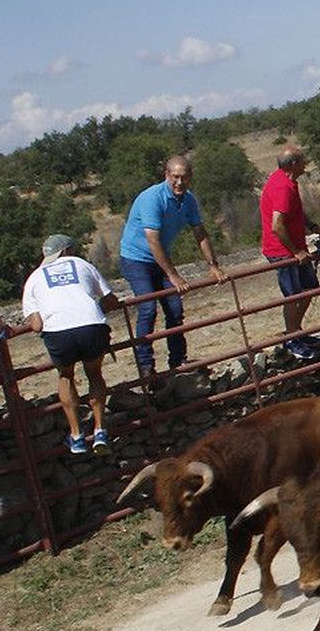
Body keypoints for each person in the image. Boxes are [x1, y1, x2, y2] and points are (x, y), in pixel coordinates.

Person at [117, 155, 226, 379]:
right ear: (167, 175)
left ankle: (177, 360)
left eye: (184, 178)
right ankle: (145, 365)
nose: (179, 182)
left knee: (175, 310)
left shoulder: (188, 200)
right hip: (136, 258)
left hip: (159, 258)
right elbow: (153, 240)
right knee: (147, 308)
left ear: (190, 178)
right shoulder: (152, 199)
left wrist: (213, 265)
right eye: (175, 177)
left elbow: (200, 232)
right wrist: (173, 275)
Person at [15, 234, 120, 455]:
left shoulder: (34, 278)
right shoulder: (82, 264)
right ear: (67, 251)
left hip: (59, 333)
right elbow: (111, 300)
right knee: (94, 373)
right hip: (92, 326)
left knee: (66, 377)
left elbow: (35, 324)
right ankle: (100, 430)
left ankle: (76, 436)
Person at [259, 147, 320, 362]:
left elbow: (294, 212)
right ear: (293, 164)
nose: (306, 163)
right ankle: (292, 339)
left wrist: (312, 226)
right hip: (283, 251)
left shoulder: (288, 182)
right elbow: (277, 225)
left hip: (295, 248)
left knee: (309, 289)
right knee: (294, 296)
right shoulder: (282, 186)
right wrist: (296, 252)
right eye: (302, 160)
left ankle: (297, 332)